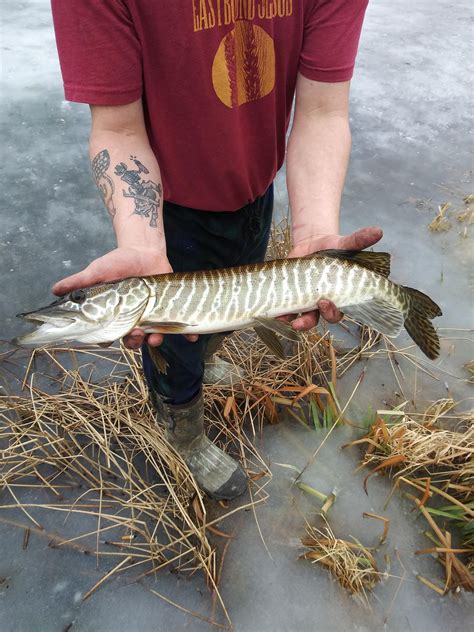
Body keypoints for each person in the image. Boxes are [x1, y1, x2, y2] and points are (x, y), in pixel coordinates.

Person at [50, 1, 381, 500]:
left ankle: (205, 354)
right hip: (170, 213)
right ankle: (182, 426)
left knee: (227, 315)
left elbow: (322, 111)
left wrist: (313, 232)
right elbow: (117, 127)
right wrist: (142, 241)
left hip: (254, 190)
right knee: (173, 345)